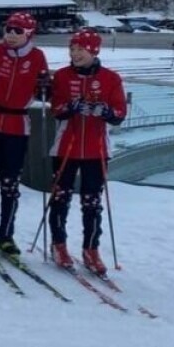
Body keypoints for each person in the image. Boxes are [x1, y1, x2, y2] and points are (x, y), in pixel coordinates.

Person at [47, 28, 126, 276]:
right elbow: (56, 109)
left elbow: (119, 114)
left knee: (92, 202)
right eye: (72, 49)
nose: (75, 53)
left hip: (96, 149)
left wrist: (105, 112)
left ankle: (91, 249)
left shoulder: (111, 79)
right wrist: (72, 107)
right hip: (65, 146)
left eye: (80, 49)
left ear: (93, 51)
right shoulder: (61, 76)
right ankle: (58, 244)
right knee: (60, 197)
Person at [0, 11, 50, 256]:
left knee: (10, 184)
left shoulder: (37, 57)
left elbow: (42, 92)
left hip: (17, 125)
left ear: (28, 34)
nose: (11, 35)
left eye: (18, 31)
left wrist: (46, 86)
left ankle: (6, 235)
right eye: (8, 30)